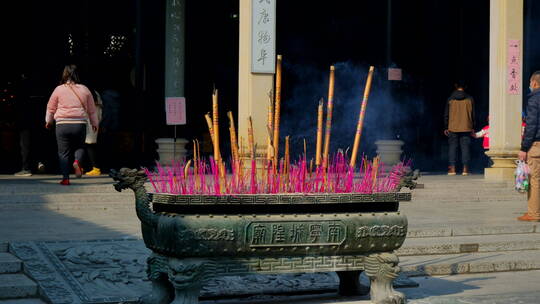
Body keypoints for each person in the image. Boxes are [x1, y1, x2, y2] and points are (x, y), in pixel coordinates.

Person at [45, 65, 98, 185]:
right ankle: (77, 162)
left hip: (62, 124)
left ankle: (65, 178)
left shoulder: (58, 89)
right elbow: (92, 109)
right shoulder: (85, 89)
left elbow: (51, 107)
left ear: (64, 74)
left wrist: (49, 121)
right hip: (79, 124)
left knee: (63, 152)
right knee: (80, 146)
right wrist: (94, 123)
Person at [518, 71, 540, 222]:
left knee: (535, 179)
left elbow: (531, 125)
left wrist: (524, 148)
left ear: (534, 83)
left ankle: (534, 213)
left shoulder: (534, 99)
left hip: (536, 144)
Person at [444, 82, 475, 176]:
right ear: (465, 87)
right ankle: (465, 169)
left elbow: (446, 114)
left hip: (453, 127)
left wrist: (446, 126)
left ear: (455, 86)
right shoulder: (470, 99)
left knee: (452, 148)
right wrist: (473, 126)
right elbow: (473, 115)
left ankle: (452, 169)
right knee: (465, 148)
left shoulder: (450, 99)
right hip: (466, 127)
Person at [84, 90, 103, 176]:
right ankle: (93, 168)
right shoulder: (97, 94)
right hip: (95, 122)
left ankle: (95, 168)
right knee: (91, 145)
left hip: (88, 122)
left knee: (89, 145)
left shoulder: (85, 93)